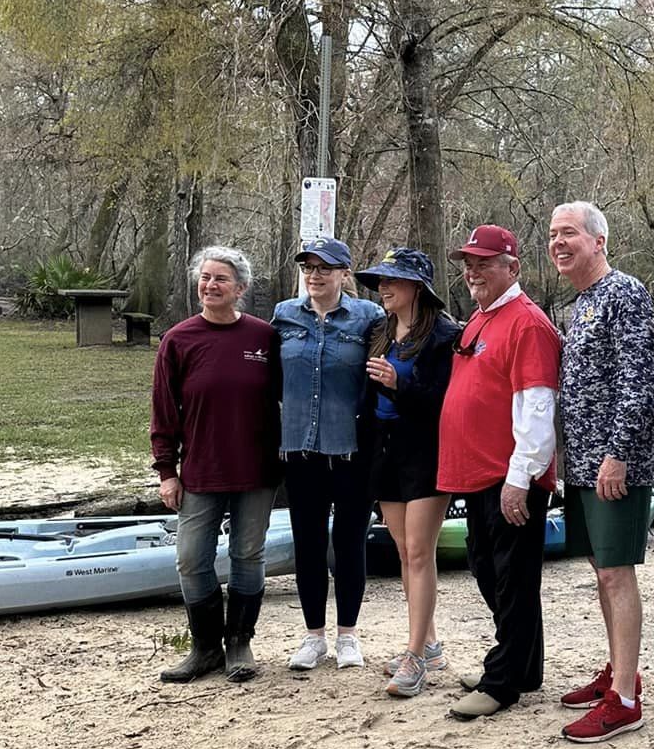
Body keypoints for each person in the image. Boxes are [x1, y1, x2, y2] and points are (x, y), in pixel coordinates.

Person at [437, 225, 562, 720]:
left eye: (484, 263)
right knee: (489, 569)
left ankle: (503, 681)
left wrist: (522, 476)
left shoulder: (527, 323)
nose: (472, 271)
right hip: (478, 475)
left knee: (512, 578)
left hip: (509, 477)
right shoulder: (480, 321)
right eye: (468, 263)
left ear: (512, 267)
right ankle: (523, 666)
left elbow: (537, 406)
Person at [549, 202, 654, 744]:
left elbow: (639, 382)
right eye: (553, 234)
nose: (559, 242)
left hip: (615, 464)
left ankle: (625, 701)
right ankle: (621, 671)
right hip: (583, 465)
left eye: (569, 233)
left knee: (617, 573)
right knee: (600, 569)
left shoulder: (625, 293)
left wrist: (617, 454)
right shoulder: (581, 303)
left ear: (599, 241)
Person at [150, 245, 280, 684]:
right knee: (190, 559)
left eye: (221, 279)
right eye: (205, 278)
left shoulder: (264, 338)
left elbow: (290, 400)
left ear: (240, 288)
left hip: (257, 470)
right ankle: (204, 648)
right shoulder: (178, 340)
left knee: (247, 554)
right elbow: (164, 413)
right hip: (202, 471)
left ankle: (239, 642)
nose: (210, 286)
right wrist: (167, 471)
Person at [272, 235, 382, 672]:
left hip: (350, 450)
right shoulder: (284, 315)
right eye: (308, 268)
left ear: (344, 274)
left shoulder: (368, 318)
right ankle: (313, 636)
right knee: (309, 544)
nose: (314, 276)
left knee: (350, 542)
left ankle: (348, 636)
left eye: (324, 268)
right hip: (299, 449)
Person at [354, 247, 460, 699]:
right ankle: (429, 643)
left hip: (427, 453)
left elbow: (444, 403)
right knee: (403, 550)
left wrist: (400, 385)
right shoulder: (378, 330)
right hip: (385, 452)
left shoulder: (443, 336)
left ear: (416, 286)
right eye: (379, 281)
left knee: (419, 551)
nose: (383, 288)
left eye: (392, 281)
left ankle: (415, 656)